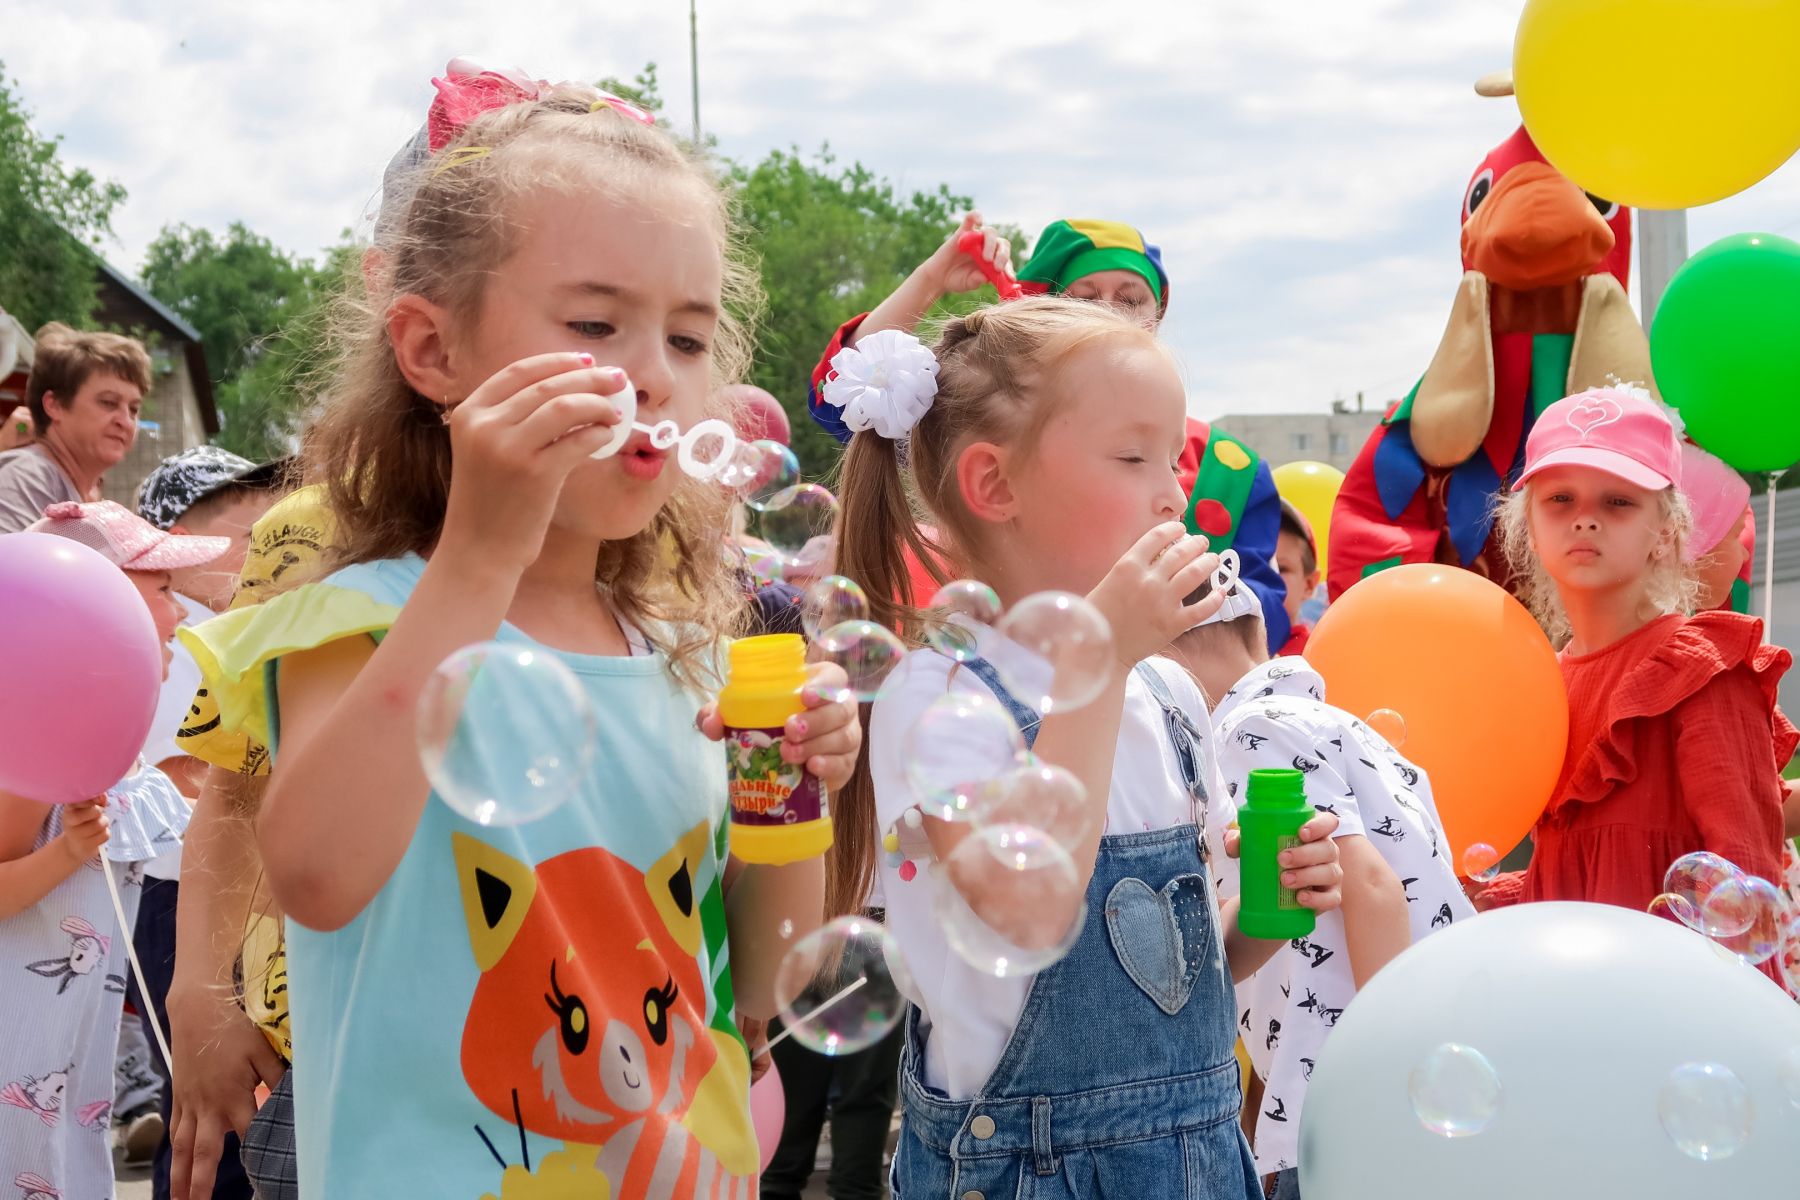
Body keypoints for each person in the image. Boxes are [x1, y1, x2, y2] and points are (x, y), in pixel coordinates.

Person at [179, 82, 863, 1198]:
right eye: (594, 325)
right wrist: (481, 557)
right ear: (431, 350)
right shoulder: (359, 618)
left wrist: (789, 795)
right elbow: (314, 875)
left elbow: (770, 971)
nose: (651, 372)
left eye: (688, 338)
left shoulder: (690, 642)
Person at [825, 296, 1344, 1198]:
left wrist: (1264, 911)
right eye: (1133, 456)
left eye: (1174, 458)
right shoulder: (938, 695)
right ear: (996, 486)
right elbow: (1026, 912)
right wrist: (1097, 659)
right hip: (1024, 1171)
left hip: (1201, 1157)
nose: (1172, 491)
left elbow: (1173, 982)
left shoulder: (1169, 691)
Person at [804, 213, 1293, 651]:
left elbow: (1262, 613)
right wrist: (932, 279)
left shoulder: (1235, 468)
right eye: (1084, 298)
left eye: (1131, 299)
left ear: (1157, 316)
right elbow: (851, 400)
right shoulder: (1004, 426)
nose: (1110, 314)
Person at [1167, 557, 1472, 1197]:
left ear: (1175, 669)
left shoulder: (1246, 732)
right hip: (1400, 1055)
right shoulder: (1343, 726)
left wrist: (1383, 1069)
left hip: (1342, 1081)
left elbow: (1371, 886)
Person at [1480, 388, 1794, 927]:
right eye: (1560, 499)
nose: (1585, 519)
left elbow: (1745, 890)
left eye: (1618, 502)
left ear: (1666, 531)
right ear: (1528, 528)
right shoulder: (1542, 685)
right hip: (1571, 996)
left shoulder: (1700, 670)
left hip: (1671, 1002)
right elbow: (1566, 872)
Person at [1, 501, 217, 1198]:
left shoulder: (101, 742)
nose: (178, 610)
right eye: (159, 590)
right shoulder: (34, 740)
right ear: (94, 600)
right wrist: (66, 853)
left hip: (71, 1053)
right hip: (17, 1050)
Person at [122, 446, 284, 1200]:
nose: (263, 543)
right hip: (181, 891)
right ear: (176, 534)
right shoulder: (167, 628)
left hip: (225, 887)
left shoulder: (224, 623)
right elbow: (189, 771)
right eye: (244, 530)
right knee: (208, 1109)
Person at [0, 325, 151, 532]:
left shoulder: (64, 487)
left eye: (133, 409)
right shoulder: (27, 478)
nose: (125, 421)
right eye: (108, 402)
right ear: (55, 405)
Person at [1274, 500, 1321, 655]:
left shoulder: (1317, 656)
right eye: (1254, 565)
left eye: (1281, 568)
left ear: (1309, 585)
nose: (1266, 577)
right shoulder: (1211, 653)